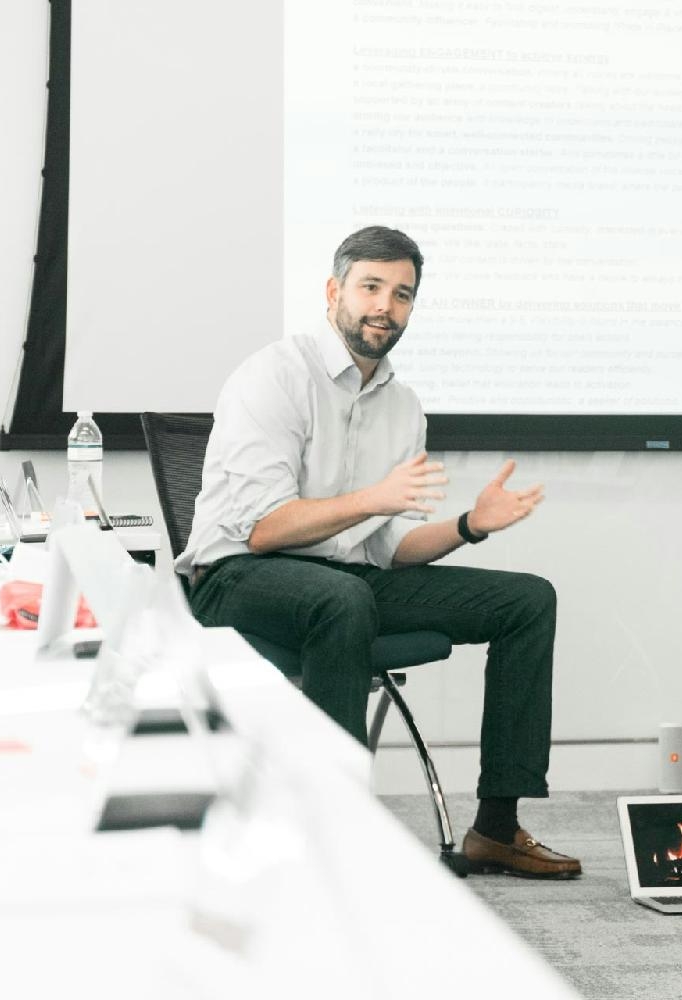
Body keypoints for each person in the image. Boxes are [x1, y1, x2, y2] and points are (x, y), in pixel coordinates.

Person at [177, 225, 580, 878]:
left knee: (527, 600)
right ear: (335, 290)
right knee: (342, 597)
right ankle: (332, 825)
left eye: (402, 294)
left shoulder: (403, 406)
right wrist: (372, 499)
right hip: (236, 578)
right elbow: (264, 530)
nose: (384, 307)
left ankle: (496, 829)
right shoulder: (274, 376)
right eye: (371, 287)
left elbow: (391, 549)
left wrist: (469, 525)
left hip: (349, 581)